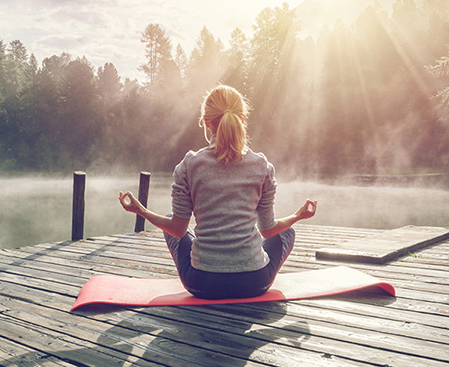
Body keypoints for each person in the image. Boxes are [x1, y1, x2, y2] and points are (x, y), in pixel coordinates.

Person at [119, 85, 317, 299]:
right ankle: (249, 259)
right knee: (286, 231)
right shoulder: (262, 166)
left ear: (206, 122)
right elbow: (268, 230)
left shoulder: (189, 165)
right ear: (243, 119)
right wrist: (298, 216)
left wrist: (141, 211)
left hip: (202, 284)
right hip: (255, 282)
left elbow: (177, 229)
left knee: (173, 222)